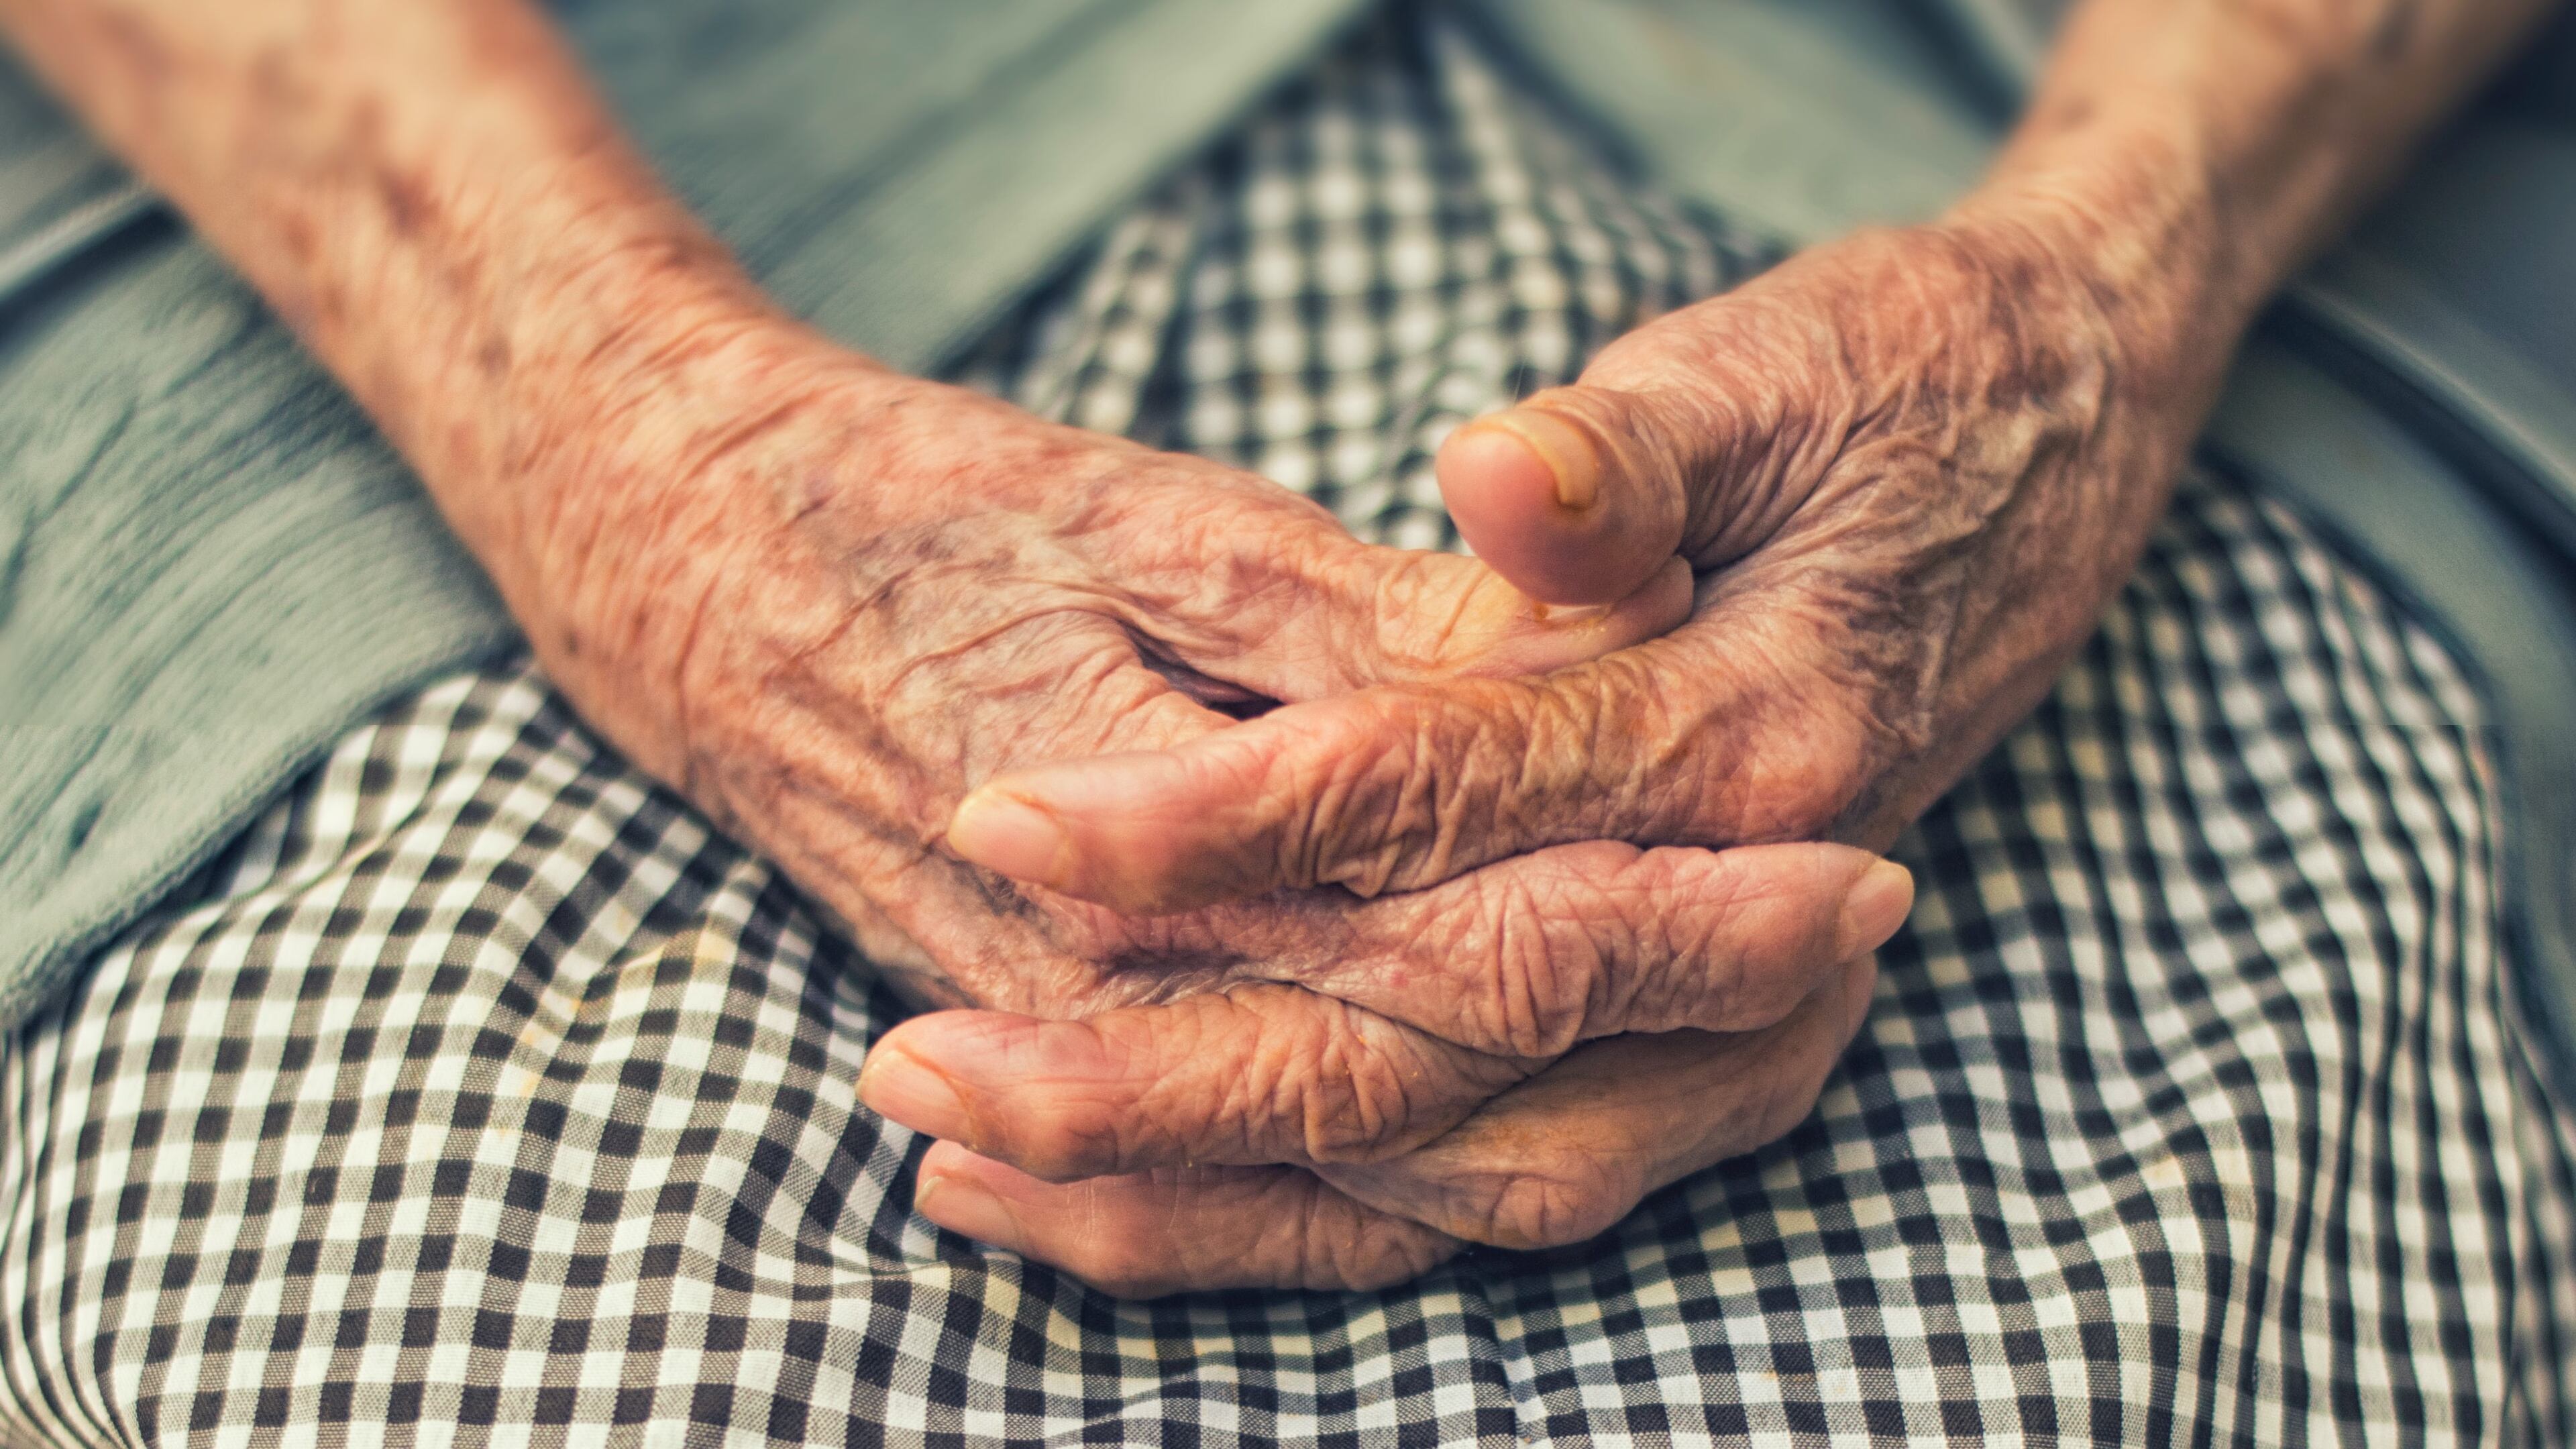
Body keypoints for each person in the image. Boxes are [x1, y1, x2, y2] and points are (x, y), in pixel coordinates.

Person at [0, 0, 2567, 1441]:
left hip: (2043, 137)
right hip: (502, 209)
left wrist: (2108, 282)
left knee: (2153, 1326)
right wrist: (629, 438)